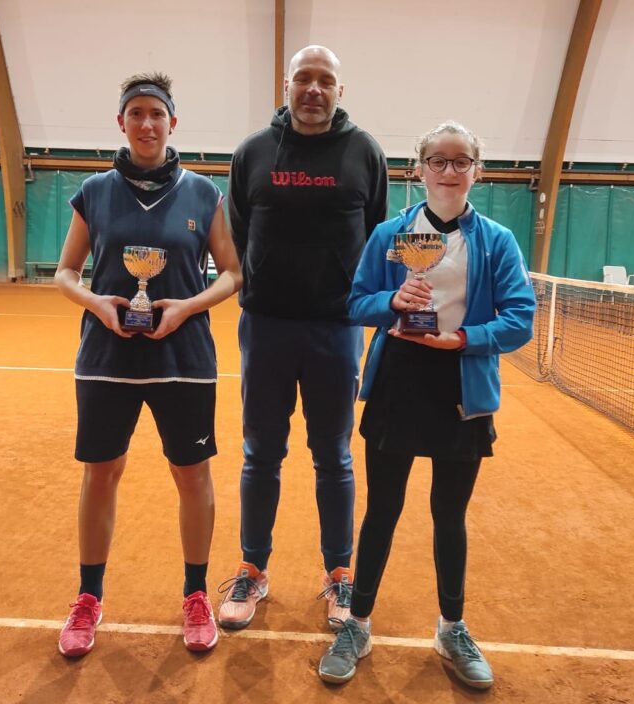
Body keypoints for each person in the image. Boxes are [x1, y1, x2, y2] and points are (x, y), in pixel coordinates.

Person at [317, 121, 535, 688]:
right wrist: (392, 300)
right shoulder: (391, 234)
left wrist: (462, 339)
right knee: (382, 510)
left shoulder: (499, 241)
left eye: (461, 160)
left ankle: (451, 626)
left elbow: (519, 319)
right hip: (398, 384)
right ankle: (357, 624)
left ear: (477, 171)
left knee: (449, 515)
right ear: (419, 169)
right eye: (437, 160)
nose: (448, 170)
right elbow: (357, 302)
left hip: (463, 389)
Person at [54, 72, 241, 657]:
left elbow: (234, 273)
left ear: (172, 123)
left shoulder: (204, 194)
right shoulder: (94, 191)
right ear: (121, 122)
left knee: (193, 476)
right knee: (101, 474)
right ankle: (89, 597)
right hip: (106, 357)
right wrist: (95, 303)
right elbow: (64, 272)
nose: (146, 123)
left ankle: (195, 594)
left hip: (184, 360)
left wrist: (188, 306)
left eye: (156, 114)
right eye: (135, 113)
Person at [217, 45, 389, 632]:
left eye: (326, 80)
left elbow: (377, 234)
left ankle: (340, 573)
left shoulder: (364, 152)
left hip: (336, 329)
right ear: (286, 85)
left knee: (334, 456)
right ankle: (252, 568)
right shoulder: (253, 152)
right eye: (303, 79)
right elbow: (237, 230)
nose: (313, 89)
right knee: (260, 453)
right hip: (264, 326)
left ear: (341, 91)